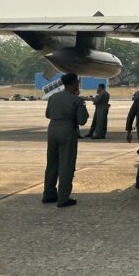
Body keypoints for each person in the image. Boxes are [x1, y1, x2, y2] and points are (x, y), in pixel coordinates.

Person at [42, 73, 89, 207]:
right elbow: (82, 120)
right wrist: (81, 104)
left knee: (52, 163)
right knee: (66, 164)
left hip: (52, 129)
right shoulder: (76, 100)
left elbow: (47, 114)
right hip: (67, 130)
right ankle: (63, 198)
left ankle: (49, 194)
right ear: (75, 83)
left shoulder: (53, 96)